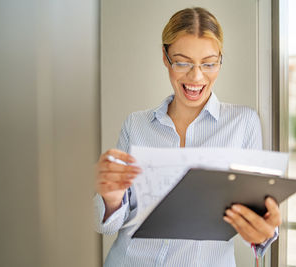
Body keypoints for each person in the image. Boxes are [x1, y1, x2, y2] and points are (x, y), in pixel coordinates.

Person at [94, 7, 281, 267]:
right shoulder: (136, 125)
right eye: (182, 62)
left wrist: (265, 233)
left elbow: (259, 217)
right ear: (165, 56)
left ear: (220, 60)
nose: (196, 76)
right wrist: (111, 199)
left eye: (209, 63)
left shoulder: (243, 123)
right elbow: (105, 225)